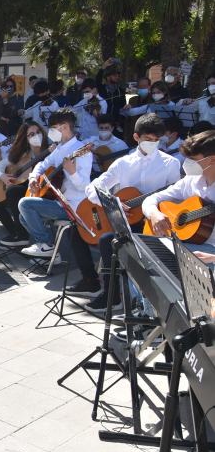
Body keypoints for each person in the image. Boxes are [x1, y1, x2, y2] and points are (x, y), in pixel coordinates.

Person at [77, 114, 181, 311]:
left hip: (153, 223)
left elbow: (174, 199)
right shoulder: (122, 163)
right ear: (136, 137)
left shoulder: (171, 164)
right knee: (105, 240)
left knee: (115, 243)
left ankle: (144, 304)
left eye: (157, 140)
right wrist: (112, 201)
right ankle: (111, 295)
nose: (153, 143)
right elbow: (93, 188)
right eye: (148, 139)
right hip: (127, 221)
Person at [18, 109, 92, 258]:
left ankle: (47, 245)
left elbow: (84, 187)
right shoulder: (60, 148)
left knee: (25, 204)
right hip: (57, 201)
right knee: (23, 216)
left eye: (52, 128)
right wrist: (33, 177)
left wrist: (72, 172)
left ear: (64, 127)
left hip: (73, 206)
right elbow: (43, 164)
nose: (50, 131)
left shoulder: (82, 151)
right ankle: (52, 254)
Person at [143, 129, 215, 263]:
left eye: (193, 159)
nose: (187, 163)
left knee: (152, 258)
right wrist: (154, 214)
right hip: (185, 245)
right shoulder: (190, 181)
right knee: (139, 252)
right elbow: (151, 199)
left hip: (209, 252)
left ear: (212, 160)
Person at [0, 121, 49, 247]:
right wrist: (2, 176)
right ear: (25, 139)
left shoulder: (50, 151)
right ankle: (15, 233)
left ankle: (22, 235)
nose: (36, 136)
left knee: (13, 192)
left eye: (38, 132)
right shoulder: (24, 154)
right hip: (27, 187)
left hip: (43, 190)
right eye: (31, 134)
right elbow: (1, 165)